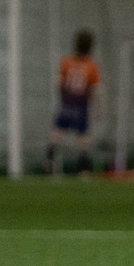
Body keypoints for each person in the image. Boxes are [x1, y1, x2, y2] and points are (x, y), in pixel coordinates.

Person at [49, 30, 100, 175]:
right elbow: (93, 89)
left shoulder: (66, 62)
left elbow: (60, 83)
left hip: (67, 101)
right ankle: (84, 167)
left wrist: (63, 98)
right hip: (81, 103)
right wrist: (96, 107)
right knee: (82, 134)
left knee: (58, 130)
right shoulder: (92, 66)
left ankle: (50, 156)